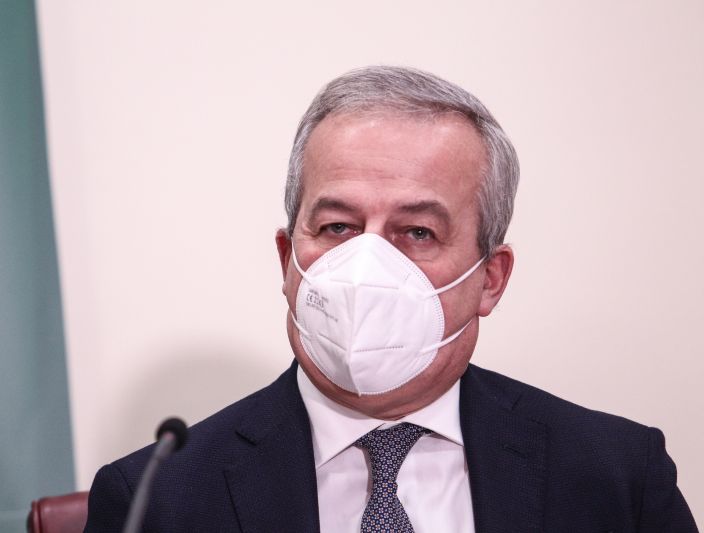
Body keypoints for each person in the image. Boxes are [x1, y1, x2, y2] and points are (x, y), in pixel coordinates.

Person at [84, 66, 697, 532]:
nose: (367, 266)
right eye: (338, 227)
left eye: (418, 232)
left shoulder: (617, 477)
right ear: (287, 260)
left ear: (491, 278)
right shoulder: (155, 501)